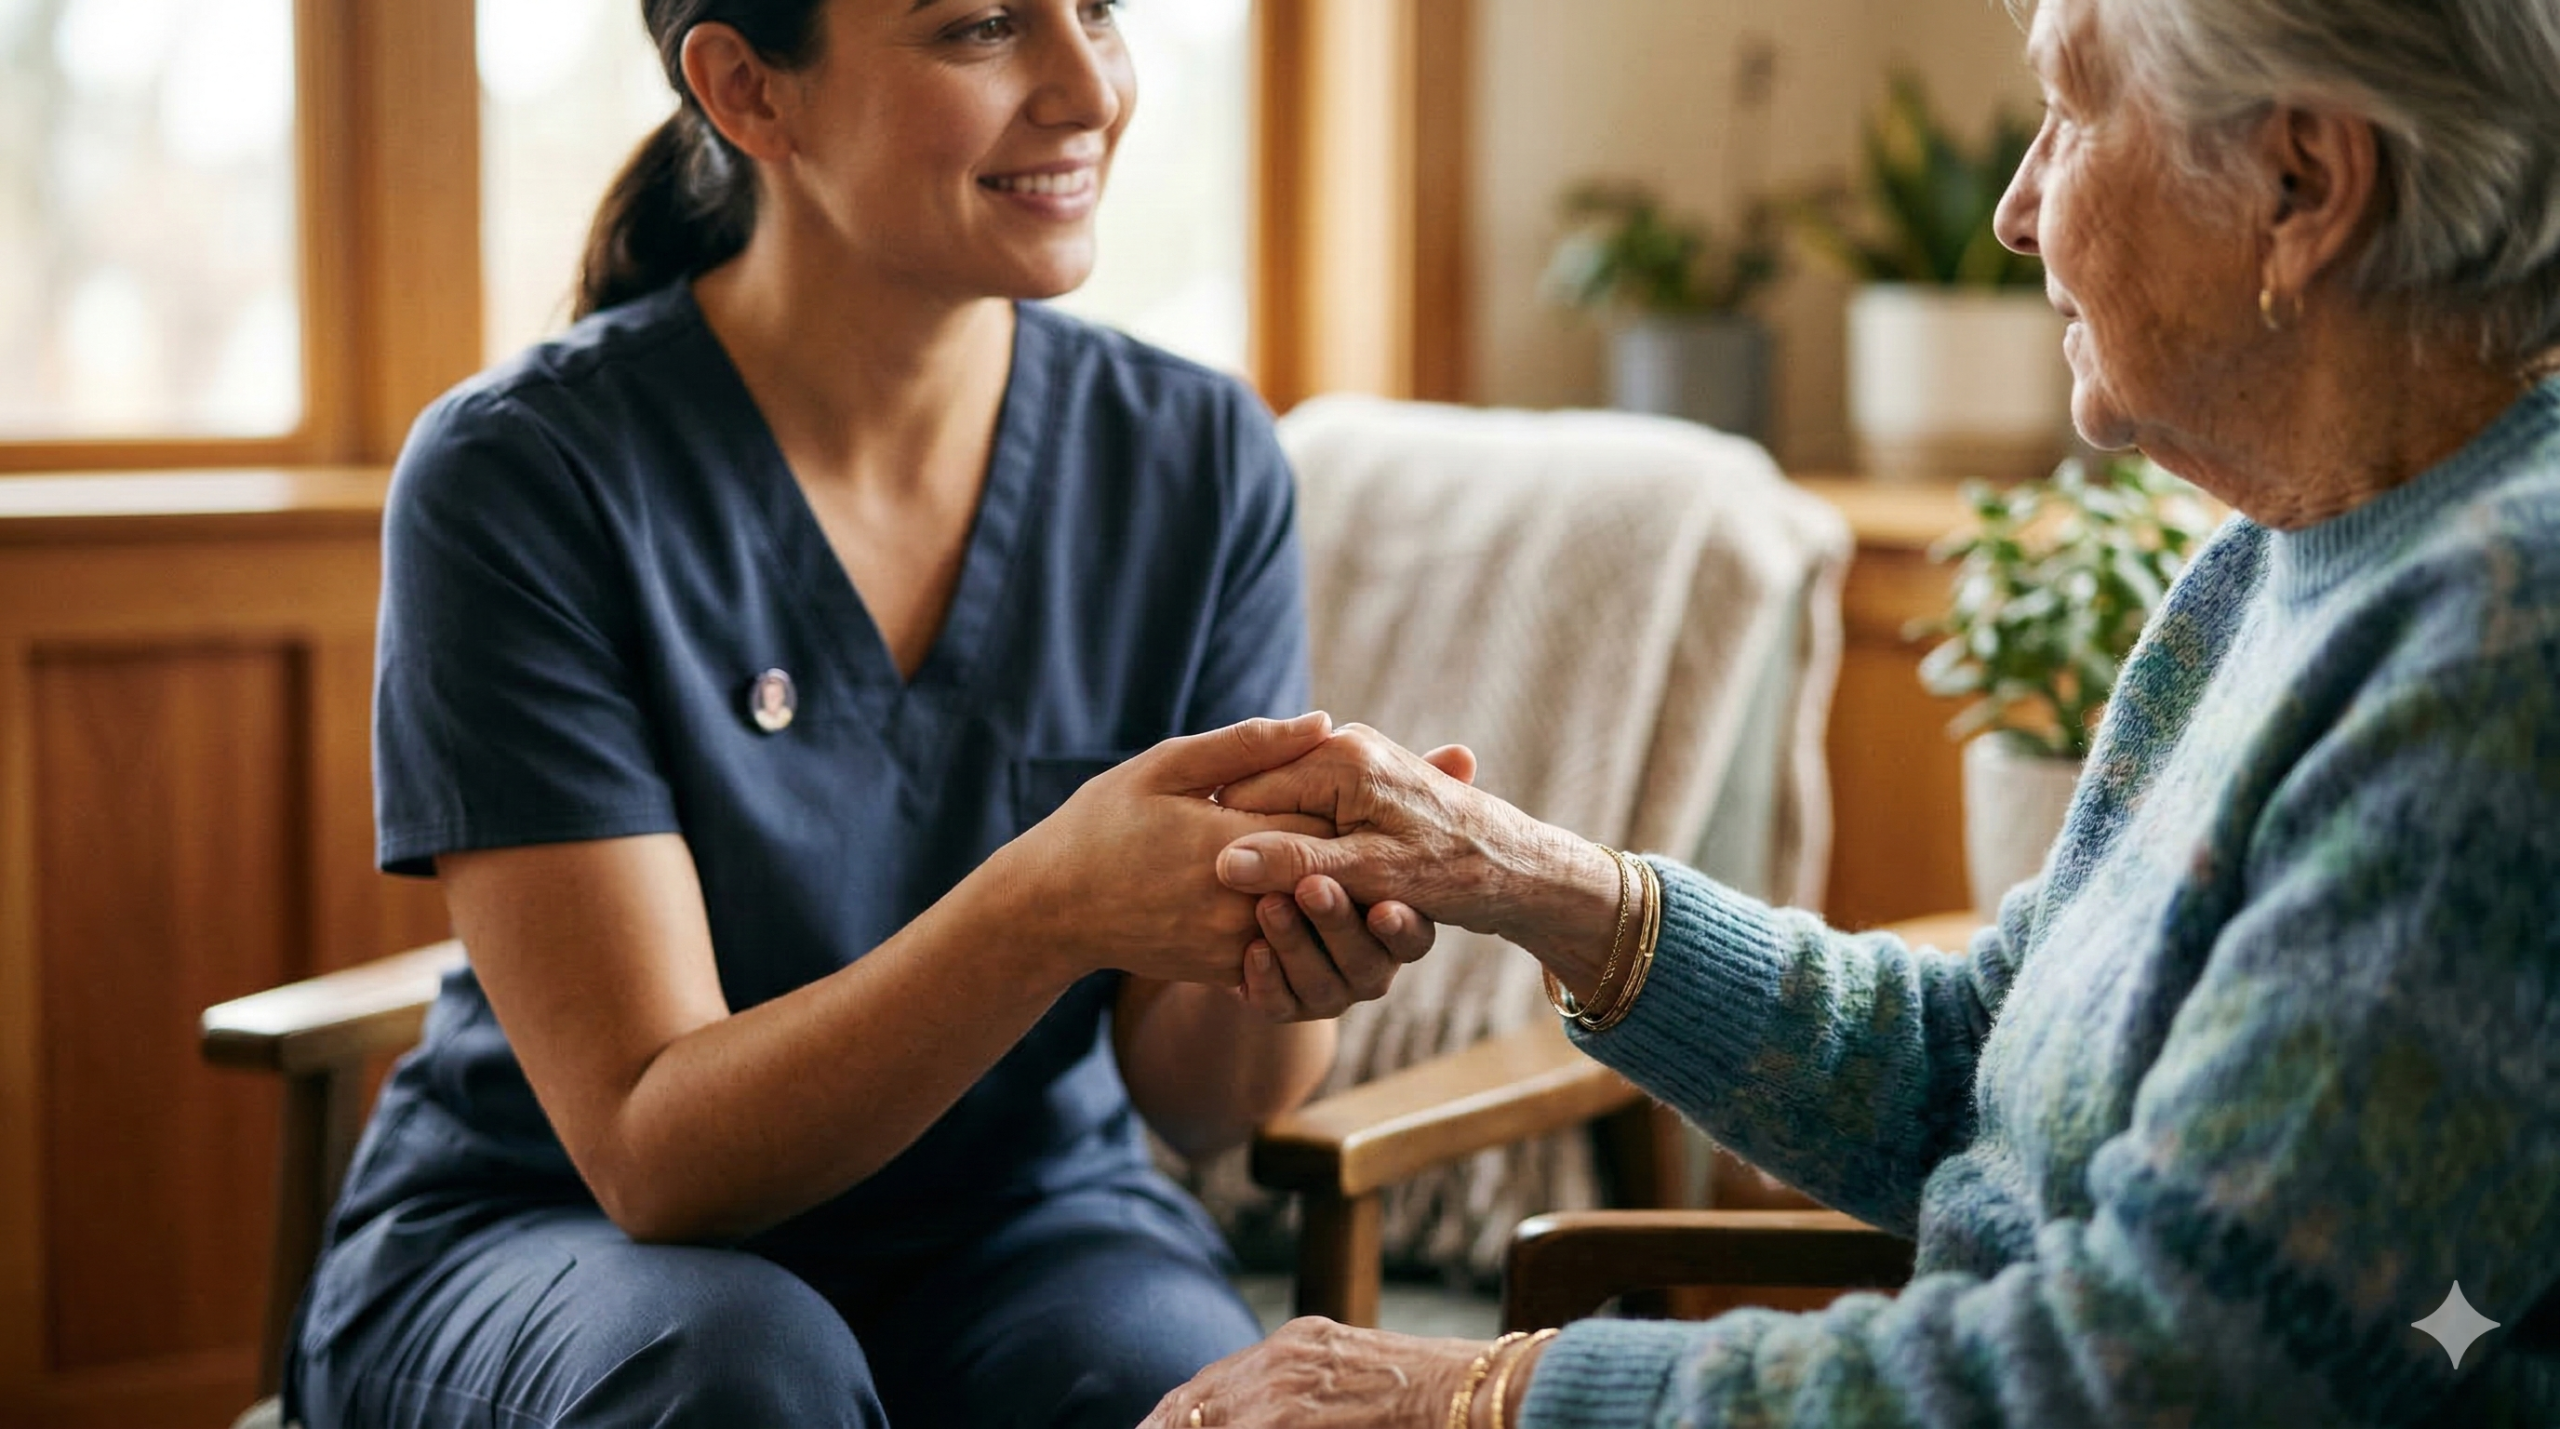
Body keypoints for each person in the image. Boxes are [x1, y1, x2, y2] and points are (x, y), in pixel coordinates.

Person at [1148, 0, 2560, 1423]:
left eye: (2070, 115)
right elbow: (1977, 1072)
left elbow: (2162, 1372)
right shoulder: (2276, 555)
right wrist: (1526, 878)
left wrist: (1484, 1397)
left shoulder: (2501, 650)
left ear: (2301, 185)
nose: (2015, 210)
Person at [287, 2, 1441, 1426]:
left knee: (1176, 1392)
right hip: (561, 1236)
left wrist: (1289, 959)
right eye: (982, 28)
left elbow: (1205, 1107)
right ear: (748, 91)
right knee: (739, 1374)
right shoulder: (520, 478)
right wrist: (1046, 907)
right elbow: (658, 1158)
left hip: (1027, 1223)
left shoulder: (1200, 459)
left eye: (1099, 11)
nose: (1089, 90)